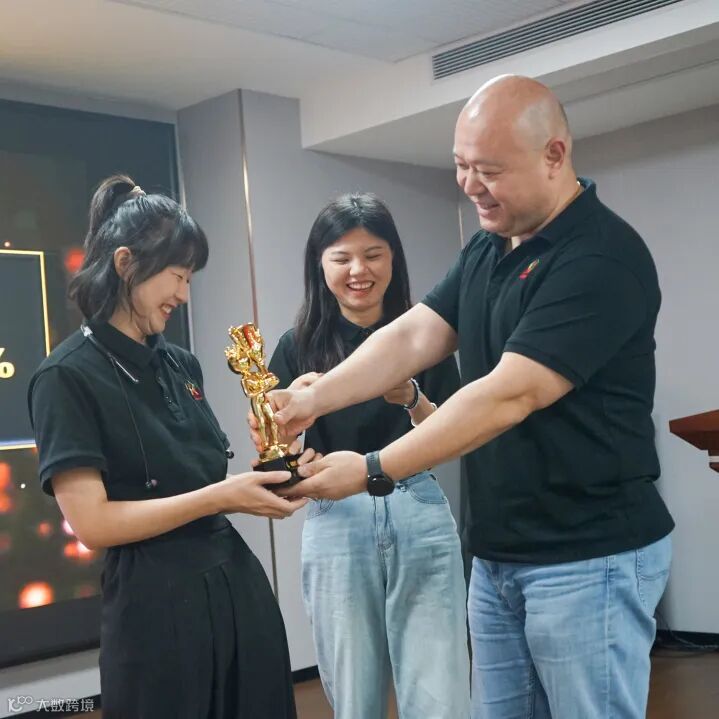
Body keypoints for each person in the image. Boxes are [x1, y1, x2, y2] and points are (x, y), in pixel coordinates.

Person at [267, 76, 675, 719]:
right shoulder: (489, 245)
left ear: (554, 155)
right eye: (461, 165)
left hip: (588, 558)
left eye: (488, 170)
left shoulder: (600, 257)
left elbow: (508, 395)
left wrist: (372, 469)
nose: (469, 185)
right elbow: (416, 334)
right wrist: (313, 402)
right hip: (499, 556)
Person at [28, 175, 311, 719]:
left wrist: (278, 471)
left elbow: (203, 476)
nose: (183, 295)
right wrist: (222, 497)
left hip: (236, 589)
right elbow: (93, 525)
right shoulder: (65, 377)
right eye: (177, 277)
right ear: (126, 263)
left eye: (188, 278)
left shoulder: (180, 364)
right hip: (154, 609)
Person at [258, 193, 470, 718]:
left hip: (416, 502)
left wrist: (413, 397)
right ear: (320, 264)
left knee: (439, 691)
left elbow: (454, 429)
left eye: (373, 254)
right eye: (342, 257)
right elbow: (278, 458)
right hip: (337, 515)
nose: (359, 270)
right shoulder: (296, 345)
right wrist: (287, 426)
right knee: (354, 694)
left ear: (393, 258)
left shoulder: (425, 335)